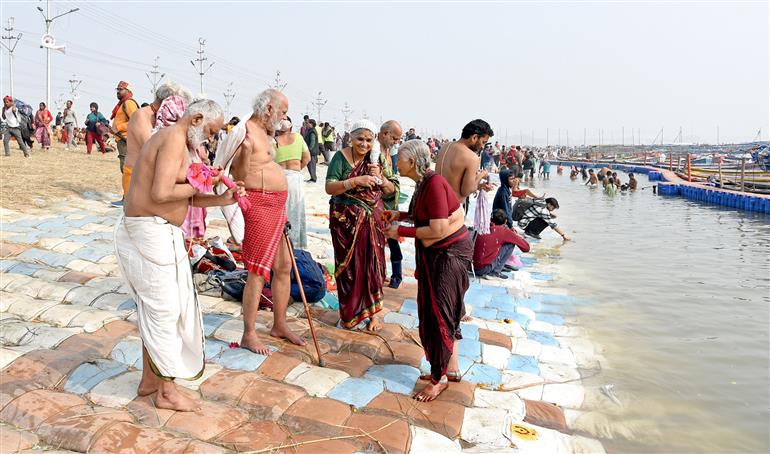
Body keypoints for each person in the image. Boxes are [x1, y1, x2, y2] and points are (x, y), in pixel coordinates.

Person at [116, 99, 243, 412]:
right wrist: (202, 181)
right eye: (210, 132)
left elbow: (185, 197)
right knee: (165, 310)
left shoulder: (180, 143)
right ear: (196, 118)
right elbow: (160, 193)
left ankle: (150, 380)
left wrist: (218, 196)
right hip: (149, 231)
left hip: (158, 231)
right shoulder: (173, 137)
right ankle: (166, 391)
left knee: (157, 307)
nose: (210, 140)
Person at [383, 140, 471, 402]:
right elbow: (427, 217)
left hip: (448, 255)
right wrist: (398, 215)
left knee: (440, 314)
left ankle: (439, 379)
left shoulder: (433, 184)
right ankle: (448, 370)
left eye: (400, 158)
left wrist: (401, 231)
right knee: (439, 311)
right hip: (438, 253)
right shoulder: (425, 184)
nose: (397, 162)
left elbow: (437, 229)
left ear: (412, 162)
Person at [229, 88, 306, 353]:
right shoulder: (246, 132)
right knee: (258, 270)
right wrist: (245, 153)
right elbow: (237, 174)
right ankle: (249, 333)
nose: (284, 116)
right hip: (259, 203)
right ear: (269, 108)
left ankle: (279, 323)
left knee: (283, 266)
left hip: (277, 204)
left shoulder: (267, 133)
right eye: (282, 111)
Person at [326, 119, 397, 331]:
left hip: (373, 219)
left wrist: (381, 179)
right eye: (359, 139)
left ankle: (374, 314)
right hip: (345, 221)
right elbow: (330, 187)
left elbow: (392, 189)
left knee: (373, 266)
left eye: (368, 140)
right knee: (348, 268)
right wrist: (355, 181)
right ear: (351, 138)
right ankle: (348, 315)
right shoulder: (340, 158)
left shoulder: (377, 160)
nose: (364, 144)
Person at [124, 81, 193, 200]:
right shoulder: (141, 115)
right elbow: (151, 150)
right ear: (169, 102)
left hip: (152, 177)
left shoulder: (163, 118)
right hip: (136, 177)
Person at [435, 119, 495, 208]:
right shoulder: (472, 157)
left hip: (436, 203)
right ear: (474, 137)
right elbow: (466, 191)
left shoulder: (445, 147)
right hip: (453, 208)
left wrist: (479, 186)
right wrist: (482, 174)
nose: (482, 146)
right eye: (483, 142)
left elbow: (453, 181)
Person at [275, 115, 311, 249]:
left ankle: (283, 244)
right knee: (296, 211)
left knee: (282, 212)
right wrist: (296, 170)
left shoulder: (274, 141)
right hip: (295, 178)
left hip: (279, 179)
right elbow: (307, 158)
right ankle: (295, 245)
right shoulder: (298, 137)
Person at [378, 120, 404, 288]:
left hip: (390, 203)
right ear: (384, 134)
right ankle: (380, 273)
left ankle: (397, 274)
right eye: (394, 138)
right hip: (379, 203)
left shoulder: (388, 152)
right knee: (378, 240)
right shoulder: (374, 151)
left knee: (393, 237)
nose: (396, 142)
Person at [473, 209, 530, 279]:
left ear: (490, 219)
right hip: (483, 269)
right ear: (505, 221)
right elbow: (526, 248)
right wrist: (516, 235)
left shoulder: (482, 226)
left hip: (471, 266)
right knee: (511, 244)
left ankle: (494, 267)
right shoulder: (504, 231)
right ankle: (495, 272)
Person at [111, 81, 140, 205]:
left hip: (126, 140)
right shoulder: (123, 104)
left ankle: (128, 198)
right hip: (122, 140)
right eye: (117, 89)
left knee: (127, 170)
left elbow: (136, 121)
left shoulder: (128, 103)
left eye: (121, 89)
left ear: (128, 91)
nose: (118, 91)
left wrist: (118, 127)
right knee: (127, 170)